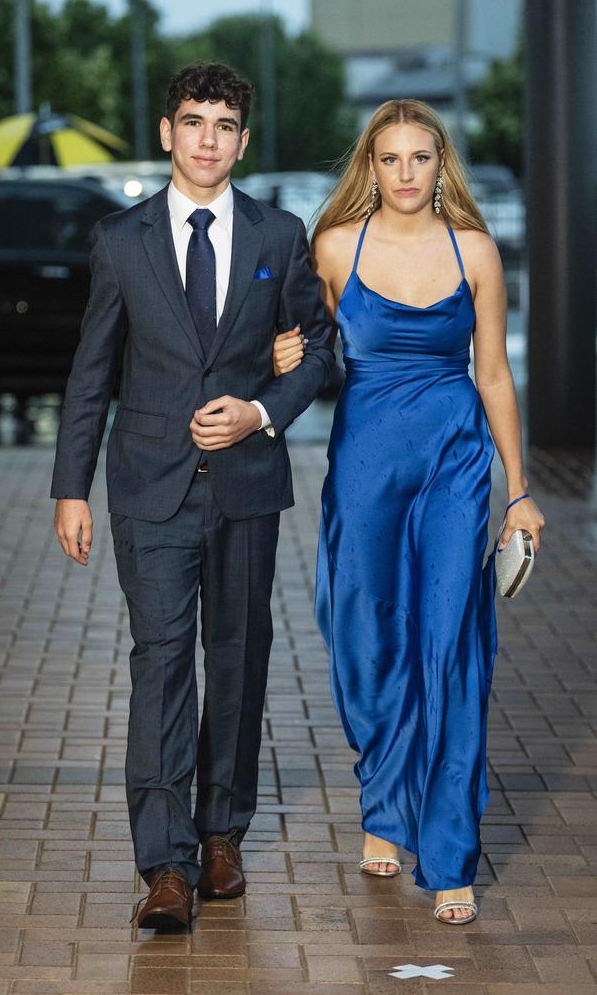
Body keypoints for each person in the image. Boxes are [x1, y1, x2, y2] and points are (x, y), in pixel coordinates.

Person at [50, 62, 334, 929]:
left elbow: (318, 350)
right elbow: (91, 371)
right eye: (193, 121)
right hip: (149, 488)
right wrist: (72, 488)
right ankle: (164, 865)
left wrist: (260, 410)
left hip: (247, 488)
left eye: (223, 124)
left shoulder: (280, 235)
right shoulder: (120, 239)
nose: (207, 138)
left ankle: (221, 837)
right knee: (162, 663)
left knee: (240, 663)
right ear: (167, 134)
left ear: (242, 141)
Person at [273, 98, 544, 924]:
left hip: (455, 461)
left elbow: (493, 374)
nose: (403, 173)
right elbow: (311, 360)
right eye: (388, 159)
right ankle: (385, 800)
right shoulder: (334, 247)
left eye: (419, 158)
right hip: (364, 465)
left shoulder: (476, 253)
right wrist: (288, 351)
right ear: (370, 165)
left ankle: (449, 850)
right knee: (362, 632)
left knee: (451, 643)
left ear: (441, 164)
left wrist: (521, 490)